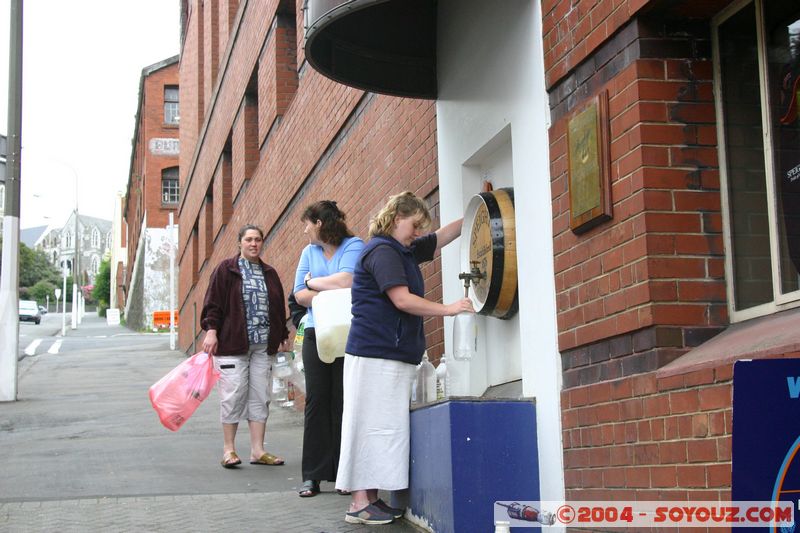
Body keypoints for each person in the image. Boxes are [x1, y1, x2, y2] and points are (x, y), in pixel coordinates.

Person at [335, 191, 474, 525]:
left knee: (382, 425)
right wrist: (449, 310)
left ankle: (369, 499)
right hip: (375, 353)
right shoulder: (383, 251)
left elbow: (439, 238)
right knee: (369, 425)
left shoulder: (403, 249)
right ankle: (359, 502)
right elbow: (401, 299)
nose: (417, 233)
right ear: (397, 218)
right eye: (413, 225)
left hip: (389, 353)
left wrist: (477, 211)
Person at [200, 224, 290, 468]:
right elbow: (213, 303)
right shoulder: (226, 270)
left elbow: (278, 305)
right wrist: (211, 330)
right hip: (232, 344)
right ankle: (229, 450)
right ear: (240, 243)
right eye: (249, 239)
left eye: (258, 240)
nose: (254, 244)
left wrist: (282, 333)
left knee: (260, 396)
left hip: (263, 346)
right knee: (233, 395)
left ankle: (258, 450)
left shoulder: (269, 273)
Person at [292, 200, 364, 497]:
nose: (306, 230)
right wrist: (321, 287)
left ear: (319, 223)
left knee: (344, 400)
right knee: (317, 401)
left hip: (349, 332)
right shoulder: (308, 252)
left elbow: (349, 281)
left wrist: (314, 282)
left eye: (307, 223)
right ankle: (313, 475)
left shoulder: (354, 245)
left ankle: (344, 473)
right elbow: (298, 295)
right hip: (315, 332)